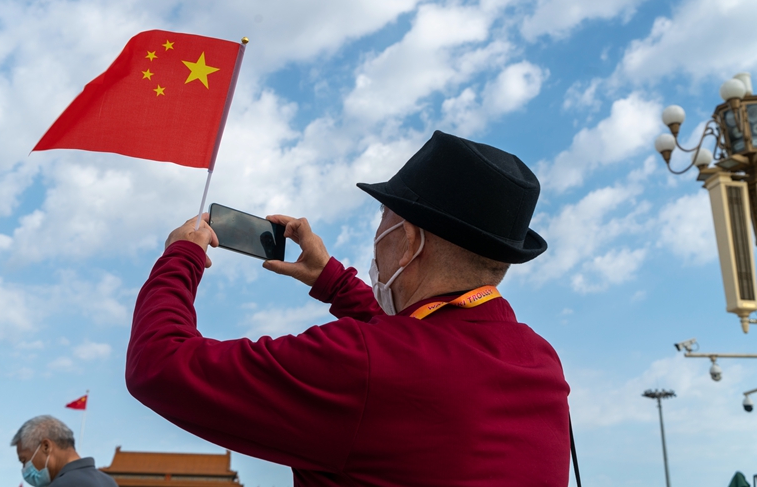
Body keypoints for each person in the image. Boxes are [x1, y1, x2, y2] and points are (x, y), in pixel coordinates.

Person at [126, 130, 570, 486]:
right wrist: (334, 281)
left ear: (409, 241)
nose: (377, 235)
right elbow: (418, 349)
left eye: (383, 219)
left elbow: (158, 363)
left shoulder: (361, 365)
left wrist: (182, 256)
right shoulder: (541, 362)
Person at [11, 415, 117, 487]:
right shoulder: (109, 482)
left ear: (46, 446)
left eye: (24, 460)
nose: (24, 469)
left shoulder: (62, 484)